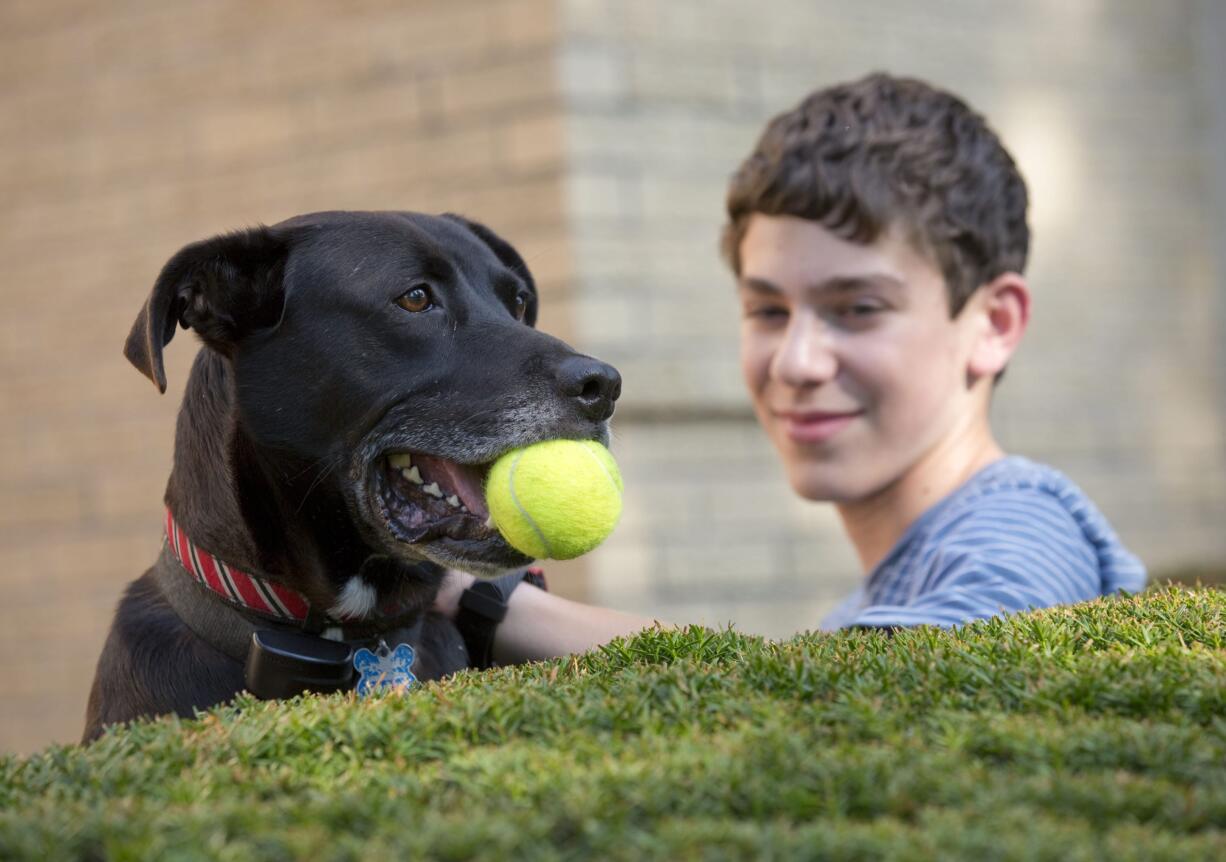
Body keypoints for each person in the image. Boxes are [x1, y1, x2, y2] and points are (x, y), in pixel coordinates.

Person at [434, 72, 1147, 663]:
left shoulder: (1021, 534)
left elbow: (849, 697)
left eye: (860, 308)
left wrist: (485, 602)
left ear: (994, 324)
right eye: (769, 311)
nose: (798, 362)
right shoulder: (885, 598)